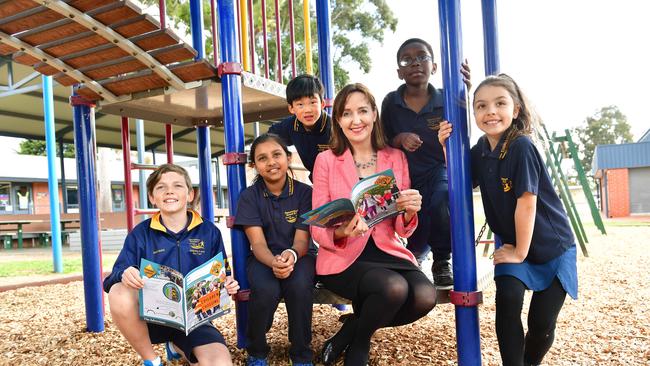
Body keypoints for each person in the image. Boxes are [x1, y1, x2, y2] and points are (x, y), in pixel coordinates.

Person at [438, 74, 578, 366]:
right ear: (474, 113)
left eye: (500, 104)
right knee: (508, 305)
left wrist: (519, 252)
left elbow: (527, 202)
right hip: (516, 246)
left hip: (552, 247)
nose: (490, 111)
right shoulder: (481, 149)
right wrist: (446, 148)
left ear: (515, 110)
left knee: (541, 324)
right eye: (481, 106)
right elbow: (463, 181)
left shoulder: (521, 146)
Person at [312, 83, 436, 366]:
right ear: (338, 121)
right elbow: (317, 227)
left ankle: (351, 331)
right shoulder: (326, 161)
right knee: (393, 288)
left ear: (374, 114)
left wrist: (408, 211)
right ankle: (360, 346)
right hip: (343, 256)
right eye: (347, 113)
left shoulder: (395, 157)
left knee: (425, 296)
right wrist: (343, 230)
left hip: (387, 250)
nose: (356, 120)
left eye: (362, 111)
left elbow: (403, 228)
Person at [103, 164, 240, 366]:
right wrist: (125, 274)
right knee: (119, 291)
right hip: (149, 319)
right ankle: (152, 360)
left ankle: (177, 346)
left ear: (190, 194)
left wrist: (227, 284)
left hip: (194, 321)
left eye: (177, 185)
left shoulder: (209, 232)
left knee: (220, 363)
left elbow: (222, 273)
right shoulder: (141, 234)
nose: (169, 191)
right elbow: (113, 278)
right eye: (160, 187)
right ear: (151, 197)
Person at [380, 38, 470, 286]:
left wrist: (466, 90)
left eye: (422, 56)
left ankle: (442, 259)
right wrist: (399, 138)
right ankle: (417, 252)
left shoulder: (447, 99)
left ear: (435, 66)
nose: (415, 62)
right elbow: (382, 138)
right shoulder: (391, 102)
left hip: (438, 168)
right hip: (405, 172)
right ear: (399, 72)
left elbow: (464, 124)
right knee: (412, 209)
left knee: (441, 200)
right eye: (406, 60)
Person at [234, 133, 317, 366]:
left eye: (277, 154)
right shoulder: (249, 197)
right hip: (263, 258)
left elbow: (302, 240)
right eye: (262, 158)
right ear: (254, 166)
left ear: (288, 158)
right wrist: (274, 263)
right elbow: (257, 243)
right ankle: (257, 350)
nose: (271, 162)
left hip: (300, 255)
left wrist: (290, 256)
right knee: (265, 289)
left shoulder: (305, 193)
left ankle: (301, 353)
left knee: (299, 285)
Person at [268, 74, 332, 181]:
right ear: (291, 108)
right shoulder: (291, 125)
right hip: (317, 178)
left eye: (312, 102)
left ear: (322, 104)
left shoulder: (334, 128)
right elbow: (270, 137)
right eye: (300, 104)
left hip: (341, 177)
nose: (307, 110)